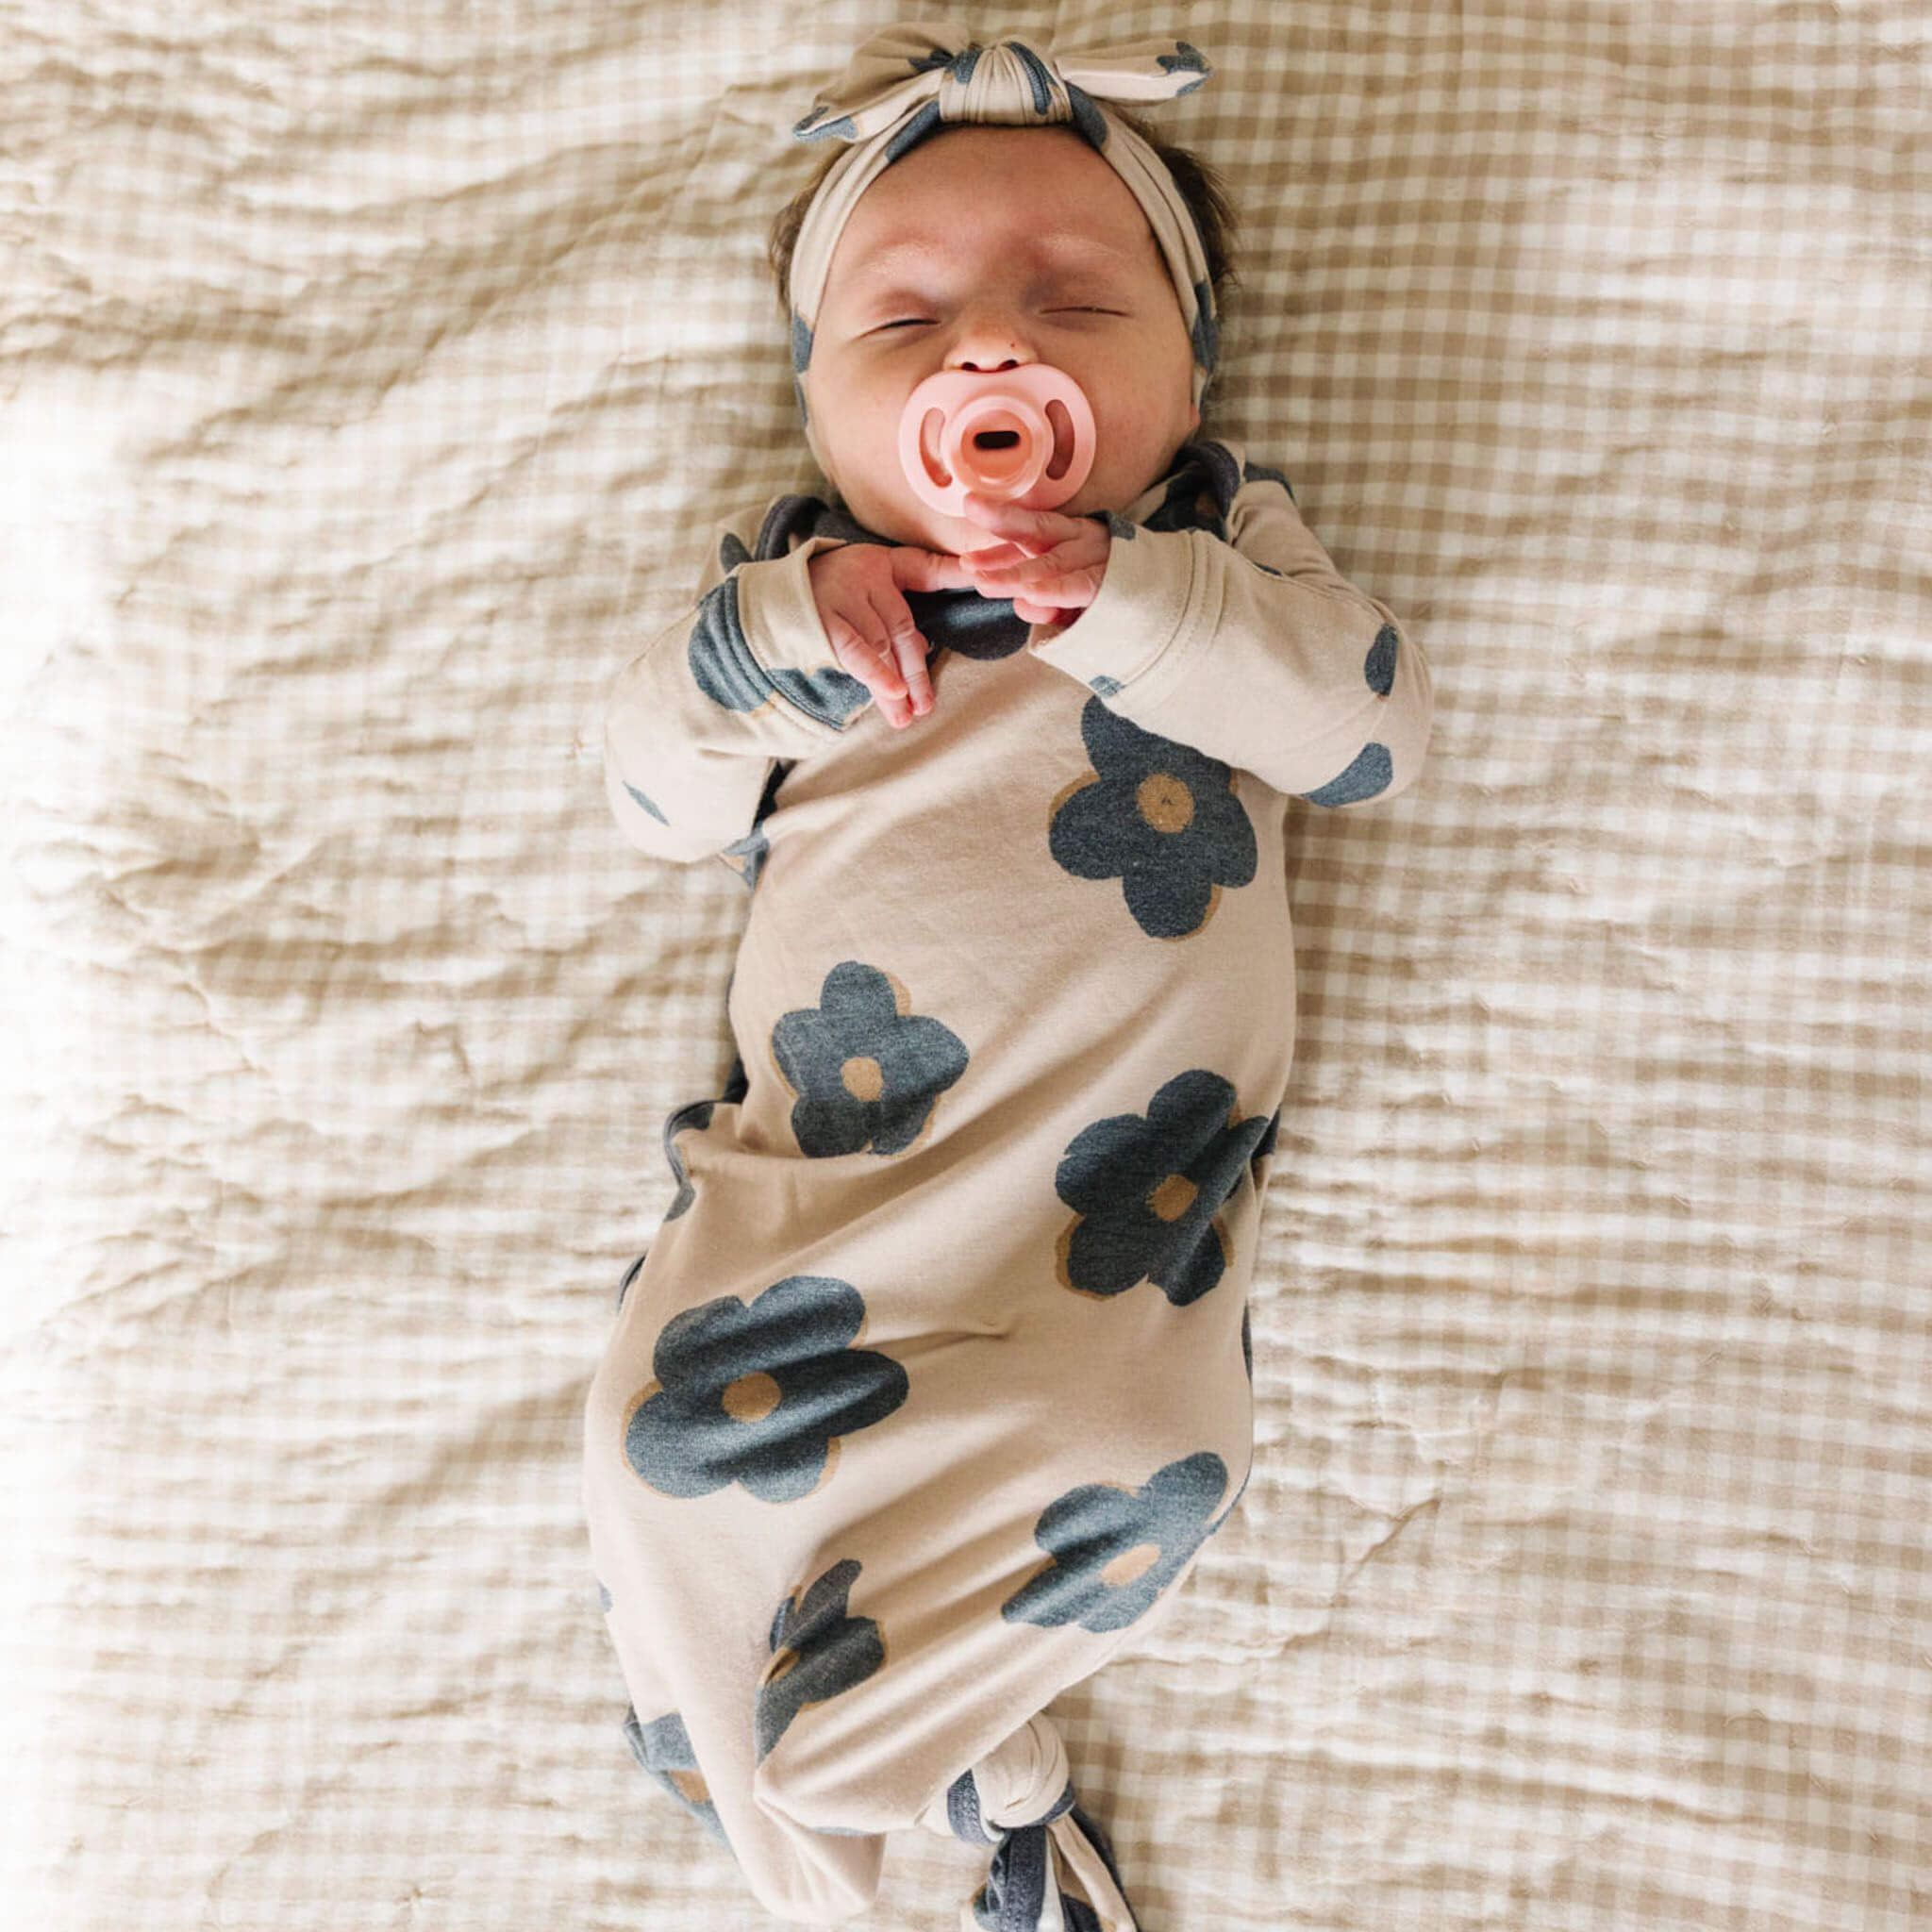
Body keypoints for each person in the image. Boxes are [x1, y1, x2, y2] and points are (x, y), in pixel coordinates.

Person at [582, 25, 1434, 1930]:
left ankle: (876, 1792)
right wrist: (764, 645)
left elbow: (1368, 741)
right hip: (810, 1201)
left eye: (1072, 301)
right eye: (905, 325)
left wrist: (1132, 602)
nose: (990, 351)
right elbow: (644, 797)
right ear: (816, 410)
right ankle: (944, 1789)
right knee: (651, 1455)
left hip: (1099, 1237)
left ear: (1186, 377)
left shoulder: (1213, 558)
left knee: (1157, 1463)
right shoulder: (794, 585)